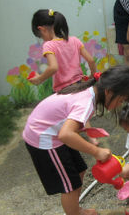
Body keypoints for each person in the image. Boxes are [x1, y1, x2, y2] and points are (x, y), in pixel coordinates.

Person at [23, 65, 129, 215]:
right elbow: (66, 134)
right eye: (121, 100)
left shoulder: (89, 91)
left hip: (53, 133)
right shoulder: (86, 100)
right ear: (109, 91)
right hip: (44, 138)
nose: (120, 104)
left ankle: (75, 210)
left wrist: (90, 135)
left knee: (80, 170)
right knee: (70, 185)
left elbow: (72, 119)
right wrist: (95, 151)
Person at [29, 9, 99, 144]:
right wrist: (92, 76)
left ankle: (78, 139)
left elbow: (53, 67)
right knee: (80, 111)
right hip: (80, 83)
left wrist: (39, 79)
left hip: (64, 88)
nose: (42, 38)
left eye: (40, 35)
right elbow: (90, 60)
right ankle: (92, 138)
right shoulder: (74, 40)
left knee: (71, 115)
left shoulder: (49, 45)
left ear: (42, 29)